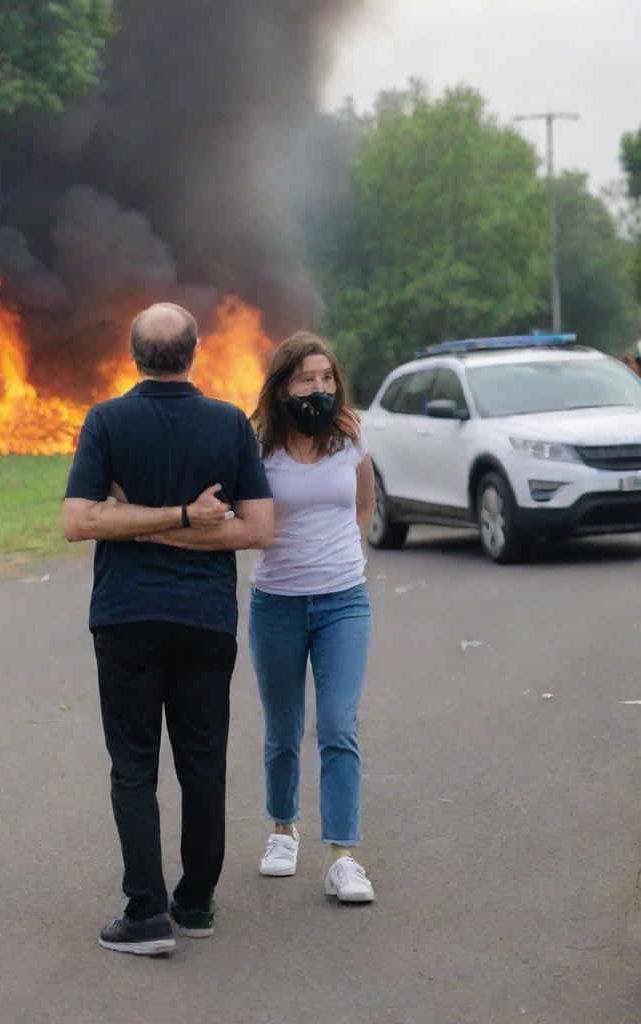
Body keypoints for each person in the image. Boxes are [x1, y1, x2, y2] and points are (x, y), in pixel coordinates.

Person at [63, 302, 274, 955]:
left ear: (132, 355)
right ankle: (196, 903)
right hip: (207, 620)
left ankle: (146, 914)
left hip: (126, 615)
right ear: (195, 350)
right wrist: (187, 518)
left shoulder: (107, 421)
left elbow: (80, 520)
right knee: (202, 763)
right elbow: (258, 529)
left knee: (133, 767)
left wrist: (149, 523)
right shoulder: (229, 424)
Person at [246, 331, 377, 902]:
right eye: (306, 379)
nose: (318, 389)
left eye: (326, 378)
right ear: (281, 388)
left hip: (344, 601)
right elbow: (243, 516)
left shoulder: (350, 435)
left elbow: (365, 502)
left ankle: (344, 856)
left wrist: (354, 546)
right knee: (282, 729)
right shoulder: (258, 448)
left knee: (339, 726)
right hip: (276, 603)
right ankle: (283, 828)